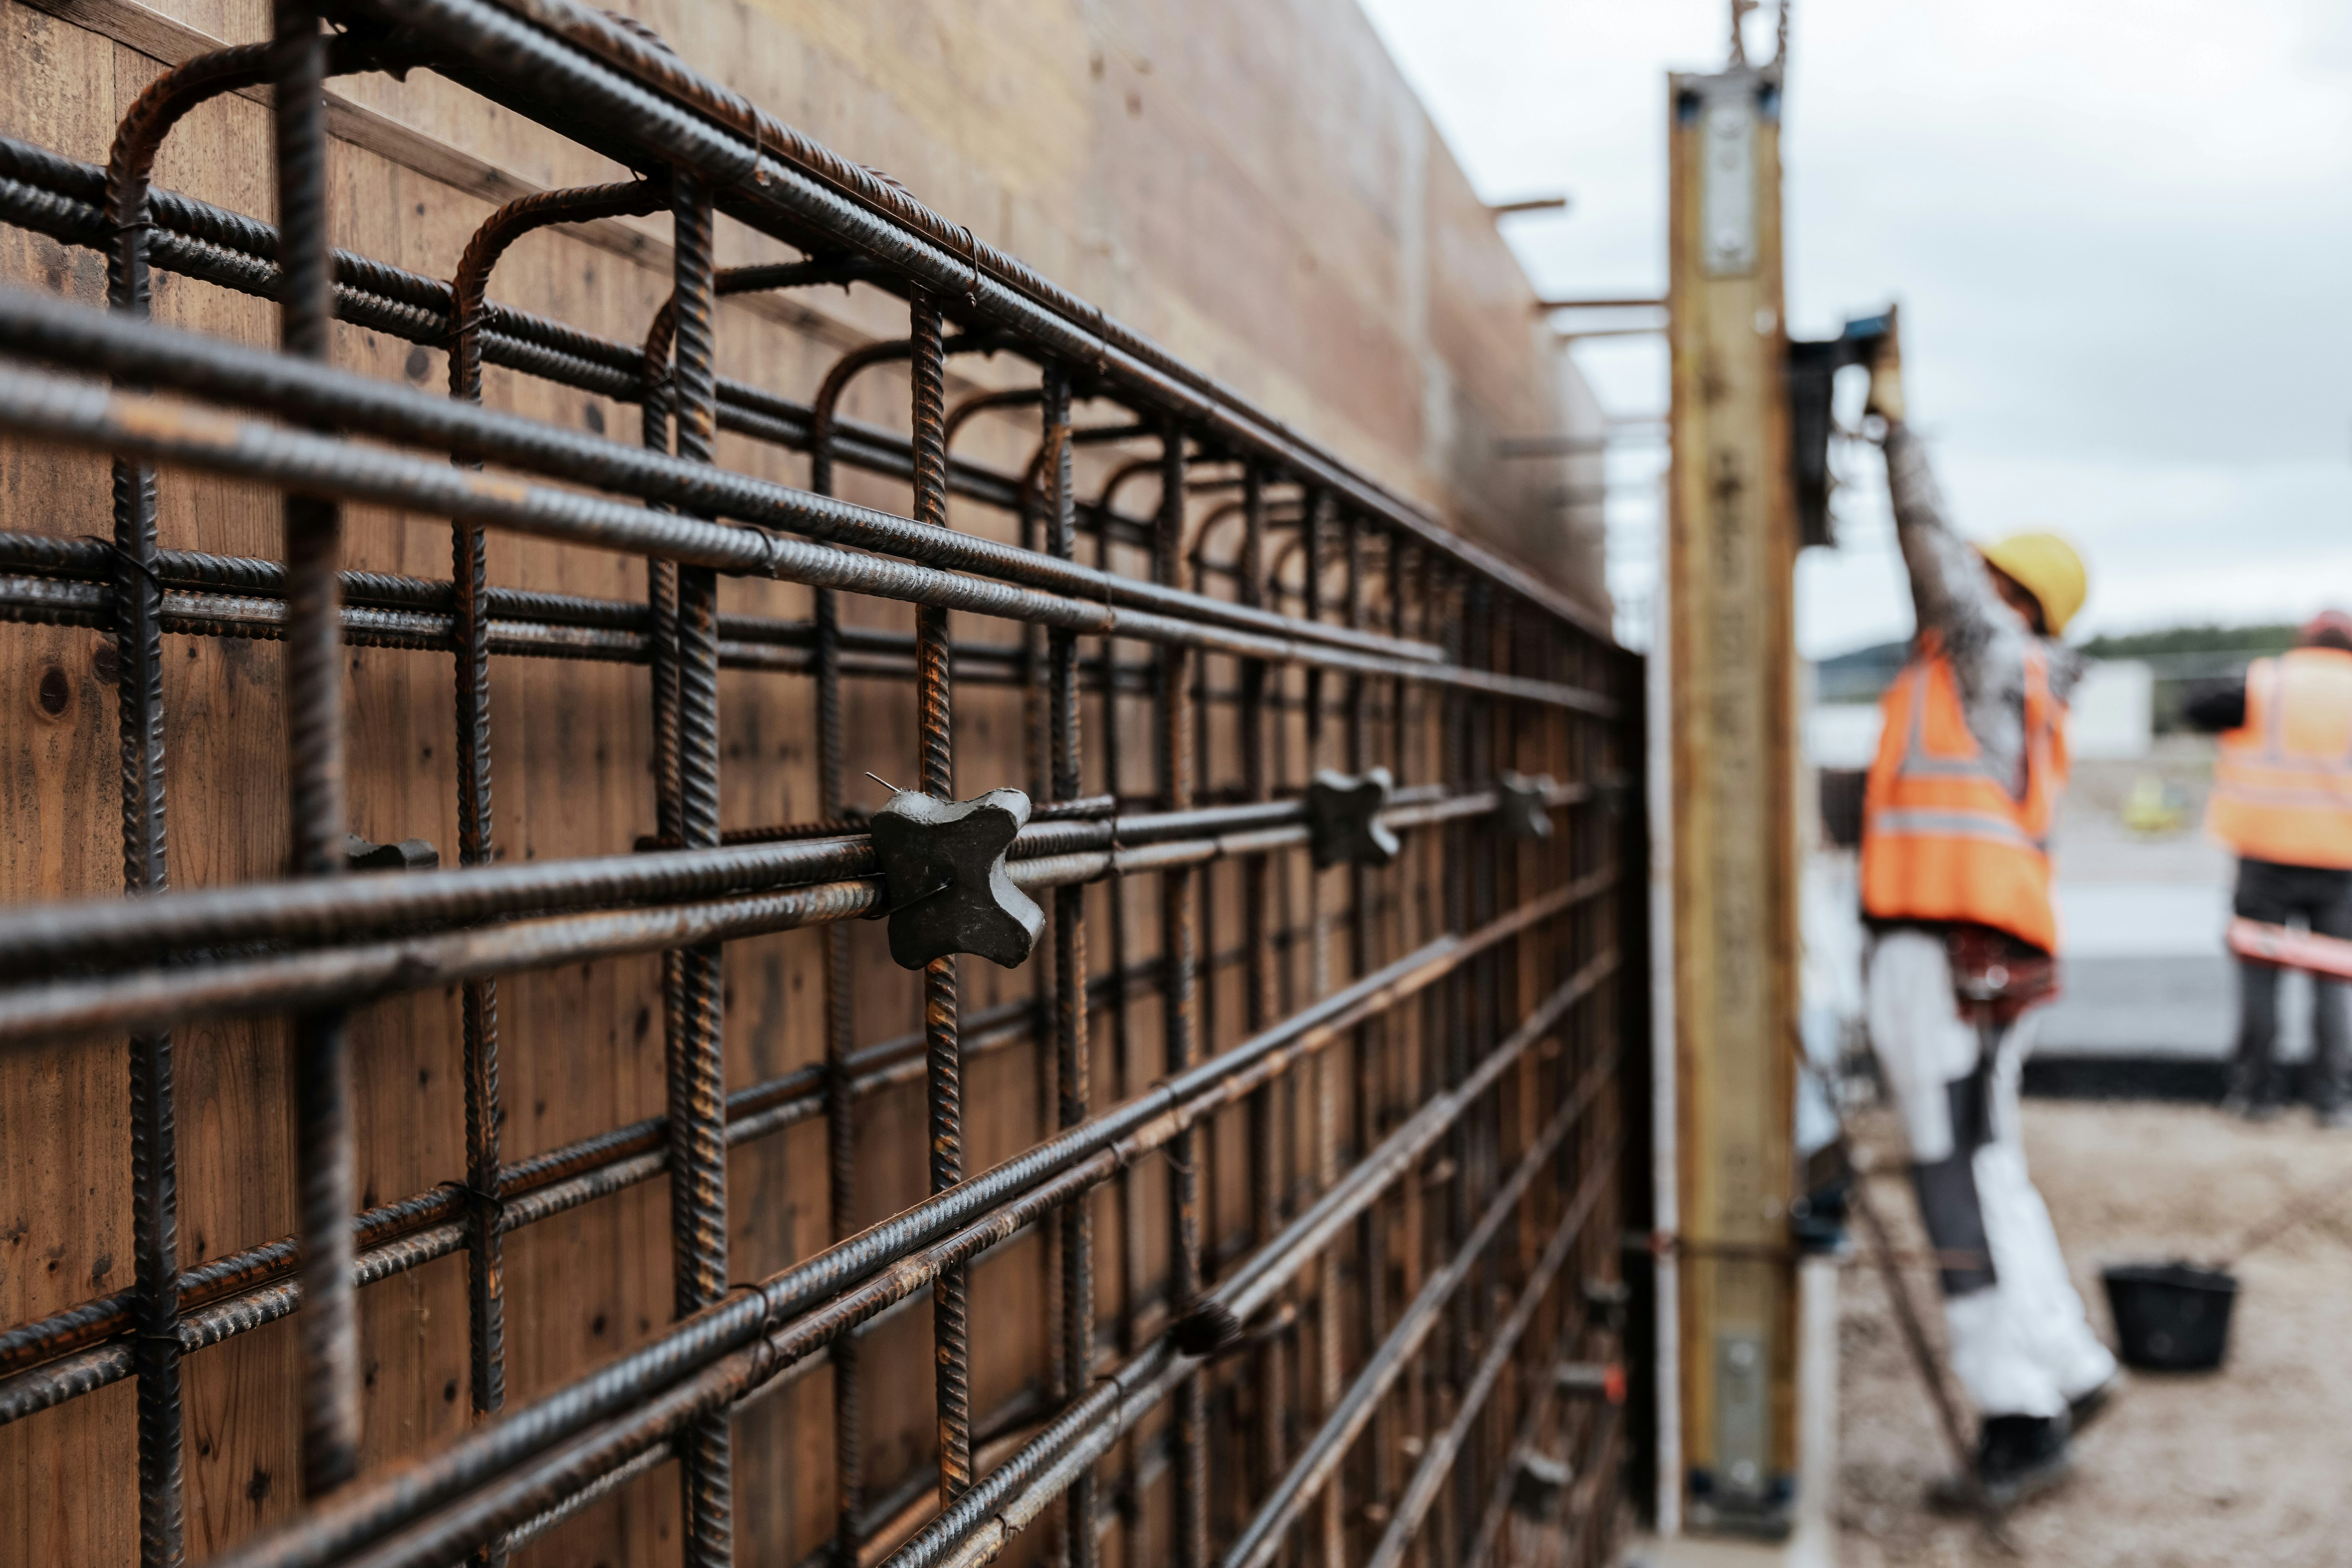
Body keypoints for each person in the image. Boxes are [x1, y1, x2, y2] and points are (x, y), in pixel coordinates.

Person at [1856, 318, 2119, 1507]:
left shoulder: (1983, 652)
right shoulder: (2029, 689)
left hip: (1938, 947)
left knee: (1948, 1172)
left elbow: (1931, 553)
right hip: (1995, 953)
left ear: (2012, 594)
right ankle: (2064, 1357)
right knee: (1989, 1160)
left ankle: (2017, 1415)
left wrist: (1895, 430)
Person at [2185, 610, 2352, 1126]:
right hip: (2341, 862)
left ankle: (2257, 1095)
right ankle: (2331, 1100)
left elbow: (2197, 709)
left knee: (2260, 978)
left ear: (2305, 640)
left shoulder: (2266, 683)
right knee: (2332, 981)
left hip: (2265, 857)